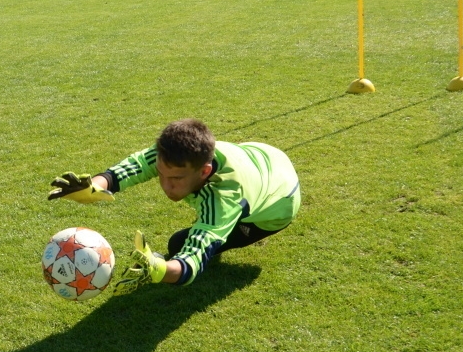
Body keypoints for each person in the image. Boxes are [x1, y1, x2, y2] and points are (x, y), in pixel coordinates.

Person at [48, 118, 301, 293]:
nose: (166, 186)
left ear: (205, 171)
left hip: (279, 201)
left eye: (176, 179)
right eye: (161, 174)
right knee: (180, 243)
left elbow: (193, 258)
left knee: (179, 245)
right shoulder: (172, 153)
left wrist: (157, 270)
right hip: (264, 154)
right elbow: (136, 166)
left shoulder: (224, 198)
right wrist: (94, 186)